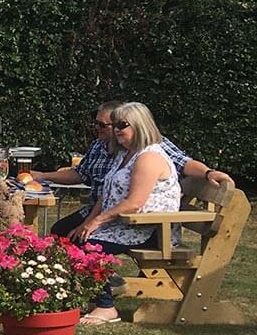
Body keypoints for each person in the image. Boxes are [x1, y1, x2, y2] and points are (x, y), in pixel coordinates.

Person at [33, 100, 232, 238]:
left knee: (76, 239)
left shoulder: (151, 150)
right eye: (97, 124)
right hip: (104, 210)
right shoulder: (105, 147)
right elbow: (80, 173)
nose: (99, 129)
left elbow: (184, 163)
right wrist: (42, 175)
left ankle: (100, 281)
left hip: (136, 221)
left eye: (106, 125)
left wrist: (208, 173)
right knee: (61, 231)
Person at [68, 102, 183, 325]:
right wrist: (87, 222)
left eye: (122, 125)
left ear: (139, 125)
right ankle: (93, 298)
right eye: (115, 125)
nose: (117, 129)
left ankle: (106, 307)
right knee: (75, 238)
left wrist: (96, 222)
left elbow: (134, 203)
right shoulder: (125, 154)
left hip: (151, 230)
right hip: (126, 224)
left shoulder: (148, 157)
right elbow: (106, 195)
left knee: (91, 246)